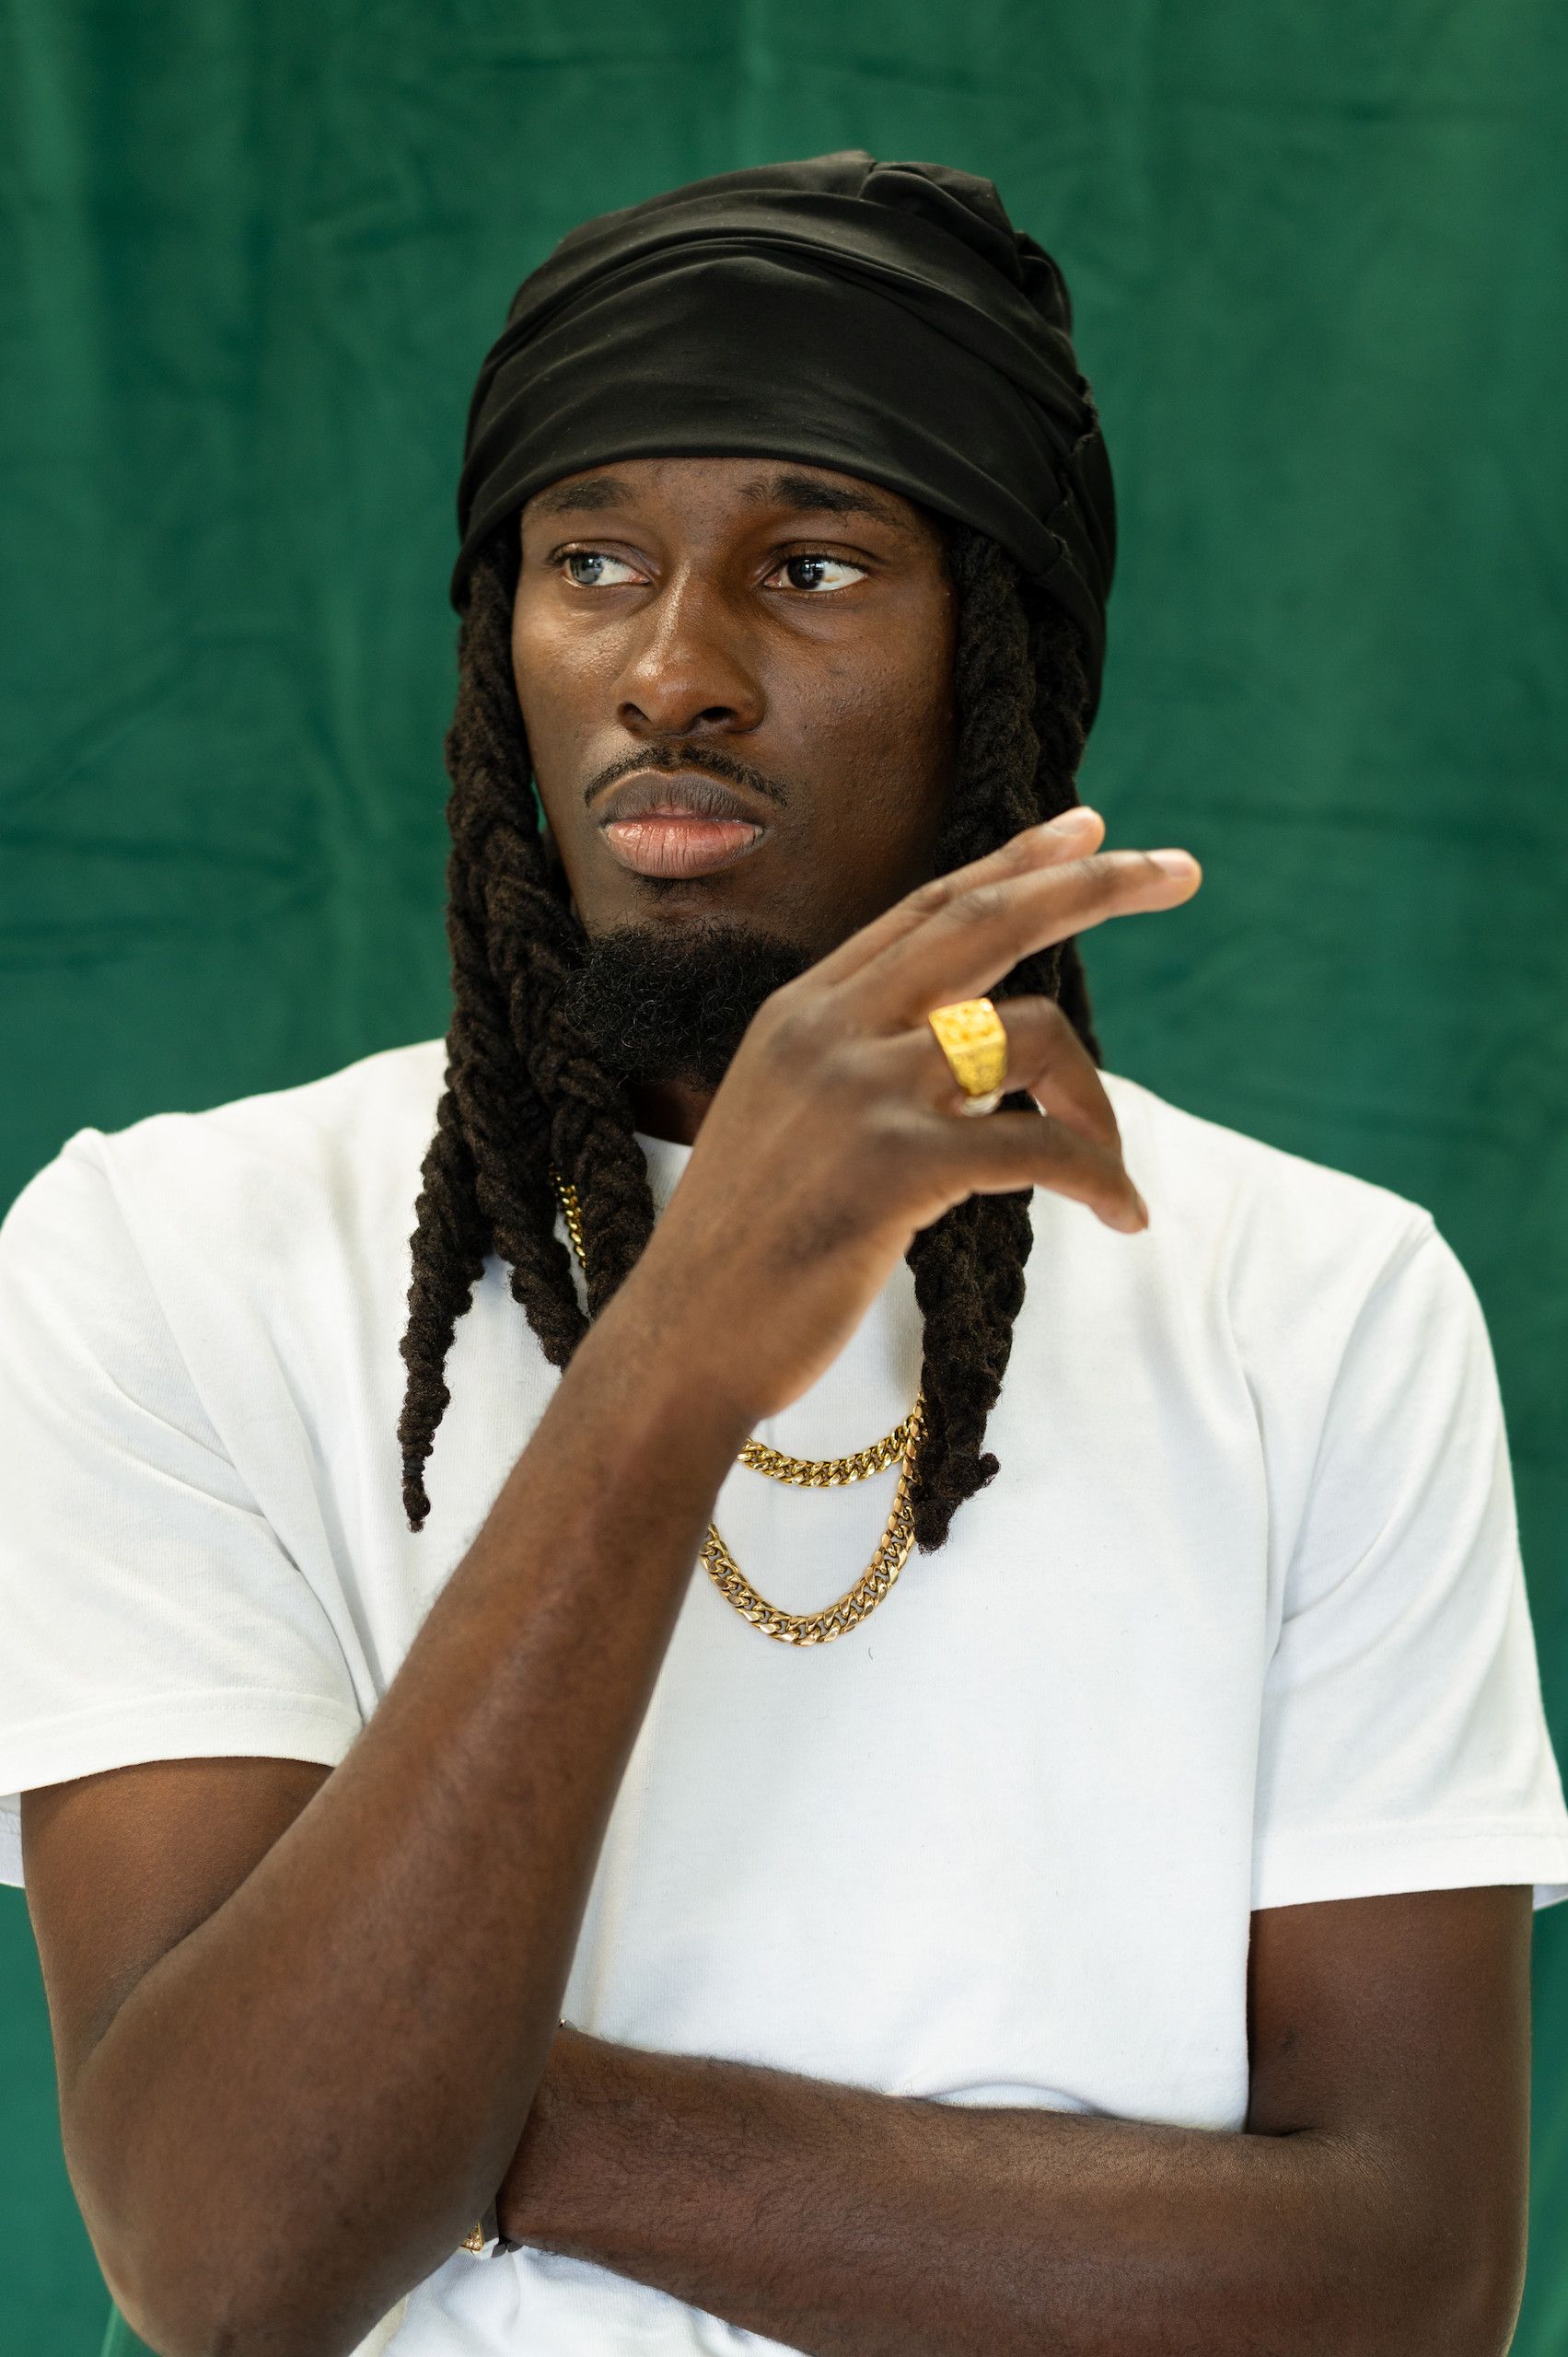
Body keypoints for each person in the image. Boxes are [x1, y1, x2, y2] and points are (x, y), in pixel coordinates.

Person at [3, 152, 1566, 2357]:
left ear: (1001, 665)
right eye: (591, 559)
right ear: (499, 641)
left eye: (811, 563)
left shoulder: (1323, 1302)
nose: (674, 668)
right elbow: (231, 2262)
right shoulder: (154, 1255)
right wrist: (681, 1346)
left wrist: (440, 2108)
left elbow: (1403, 2284)